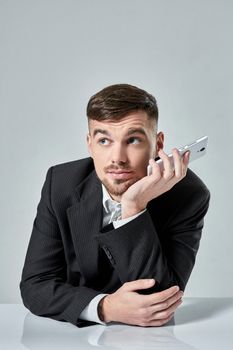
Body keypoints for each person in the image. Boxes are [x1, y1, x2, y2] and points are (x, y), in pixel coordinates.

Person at [20, 84, 210, 328]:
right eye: (104, 140)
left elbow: (158, 304)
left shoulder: (188, 196)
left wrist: (133, 207)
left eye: (133, 140)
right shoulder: (61, 184)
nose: (117, 158)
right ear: (90, 144)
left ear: (158, 144)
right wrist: (104, 307)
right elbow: (35, 285)